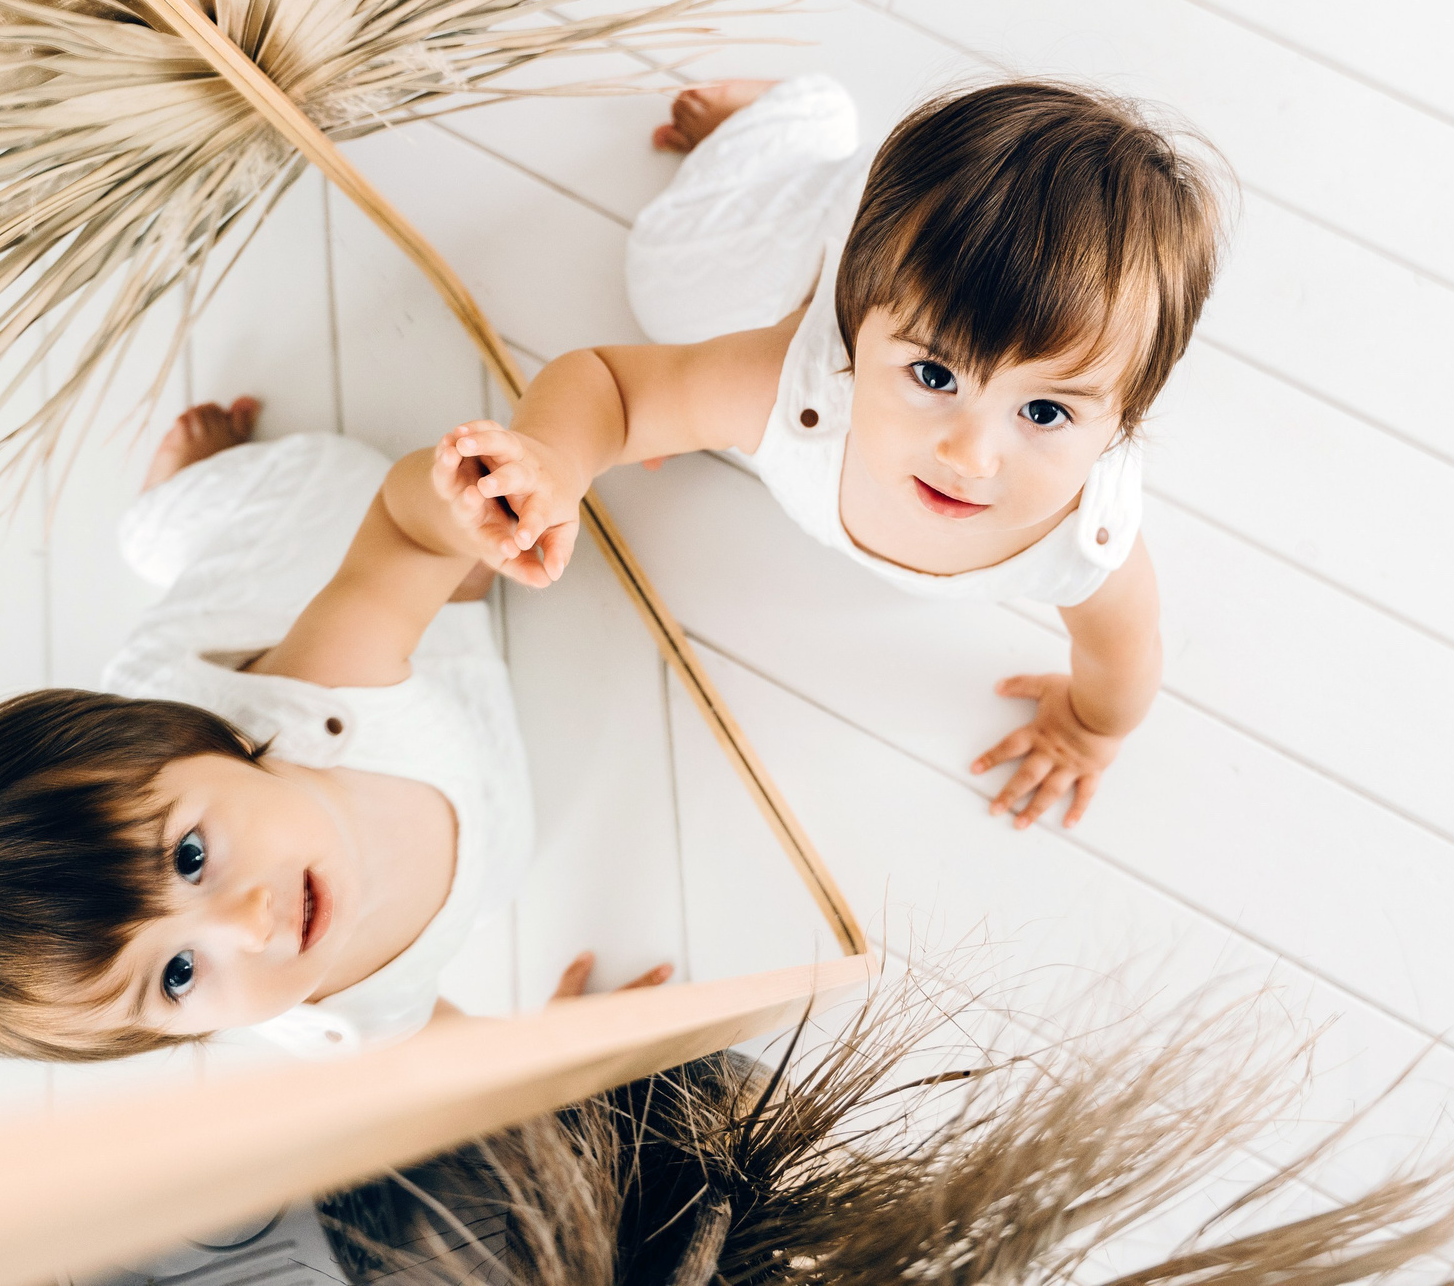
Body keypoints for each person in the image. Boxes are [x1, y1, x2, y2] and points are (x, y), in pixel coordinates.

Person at [435, 76, 1227, 831]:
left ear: (1126, 414)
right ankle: (783, 128)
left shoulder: (1087, 545)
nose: (970, 455)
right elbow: (610, 388)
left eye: (1045, 411)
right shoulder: (782, 380)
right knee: (662, 285)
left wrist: (1089, 732)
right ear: (853, 326)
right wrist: (556, 459)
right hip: (804, 243)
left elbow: (1123, 658)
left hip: (905, 267)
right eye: (933, 374)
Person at [0, 399, 670, 1063]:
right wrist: (562, 1055)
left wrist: (458, 511)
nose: (249, 924)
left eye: (190, 857)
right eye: (179, 977)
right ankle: (450, 605)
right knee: (462, 613)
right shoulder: (329, 1015)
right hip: (464, 762)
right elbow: (451, 1055)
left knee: (353, 507)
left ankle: (182, 499)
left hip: (296, 565)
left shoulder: (315, 692)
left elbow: (405, 526)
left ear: (196, 744)